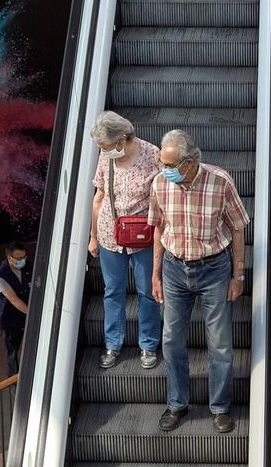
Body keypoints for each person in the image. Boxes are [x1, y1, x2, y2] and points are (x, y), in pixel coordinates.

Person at [148, 129, 250, 433]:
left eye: (170, 165)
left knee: (220, 344)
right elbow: (157, 229)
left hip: (214, 269)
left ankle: (219, 407)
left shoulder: (220, 182)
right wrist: (155, 274)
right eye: (162, 164)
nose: (165, 171)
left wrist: (238, 274)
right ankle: (177, 404)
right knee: (171, 340)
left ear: (191, 161)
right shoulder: (159, 184)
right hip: (174, 269)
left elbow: (237, 229)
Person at [89, 111, 162, 370]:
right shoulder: (106, 156)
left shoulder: (153, 155)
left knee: (147, 292)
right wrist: (93, 236)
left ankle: (148, 344)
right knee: (112, 292)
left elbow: (164, 197)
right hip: (111, 234)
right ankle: (113, 344)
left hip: (142, 235)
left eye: (106, 146)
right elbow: (98, 197)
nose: (103, 151)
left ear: (121, 139)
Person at [0, 241, 33, 376]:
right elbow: (13, 299)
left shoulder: (30, 266)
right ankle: (14, 383)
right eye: (18, 258)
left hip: (27, 315)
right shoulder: (0, 275)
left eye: (24, 257)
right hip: (11, 320)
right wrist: (33, 314)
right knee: (12, 354)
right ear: (9, 257)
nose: (22, 260)